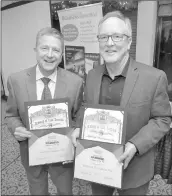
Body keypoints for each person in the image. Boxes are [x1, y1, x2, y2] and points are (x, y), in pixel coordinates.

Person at [72, 11, 172, 195]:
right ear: (99, 41)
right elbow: (86, 106)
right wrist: (79, 126)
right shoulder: (92, 75)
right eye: (104, 37)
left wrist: (135, 144)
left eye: (117, 36)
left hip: (134, 168)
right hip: (97, 165)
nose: (110, 43)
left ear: (129, 41)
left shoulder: (154, 77)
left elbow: (163, 119)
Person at [5, 27, 83, 195]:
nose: (50, 54)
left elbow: (78, 114)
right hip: (31, 153)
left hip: (62, 154)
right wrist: (16, 129)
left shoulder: (75, 83)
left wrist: (76, 128)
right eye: (44, 48)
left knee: (65, 192)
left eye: (56, 50)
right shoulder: (16, 81)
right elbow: (11, 115)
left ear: (61, 55)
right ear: (35, 49)